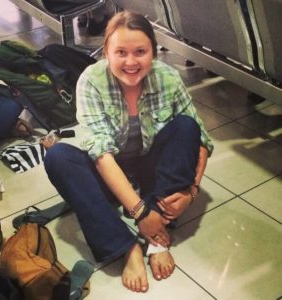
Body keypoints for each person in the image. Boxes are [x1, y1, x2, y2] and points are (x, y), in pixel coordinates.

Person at [44, 11, 213, 293]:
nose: (131, 62)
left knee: (186, 127)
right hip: (111, 170)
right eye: (120, 52)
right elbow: (101, 156)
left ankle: (158, 234)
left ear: (154, 53)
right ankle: (128, 246)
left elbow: (201, 140)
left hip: (152, 169)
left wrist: (191, 192)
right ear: (106, 53)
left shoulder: (168, 77)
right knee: (58, 157)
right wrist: (140, 212)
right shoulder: (91, 81)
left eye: (140, 52)